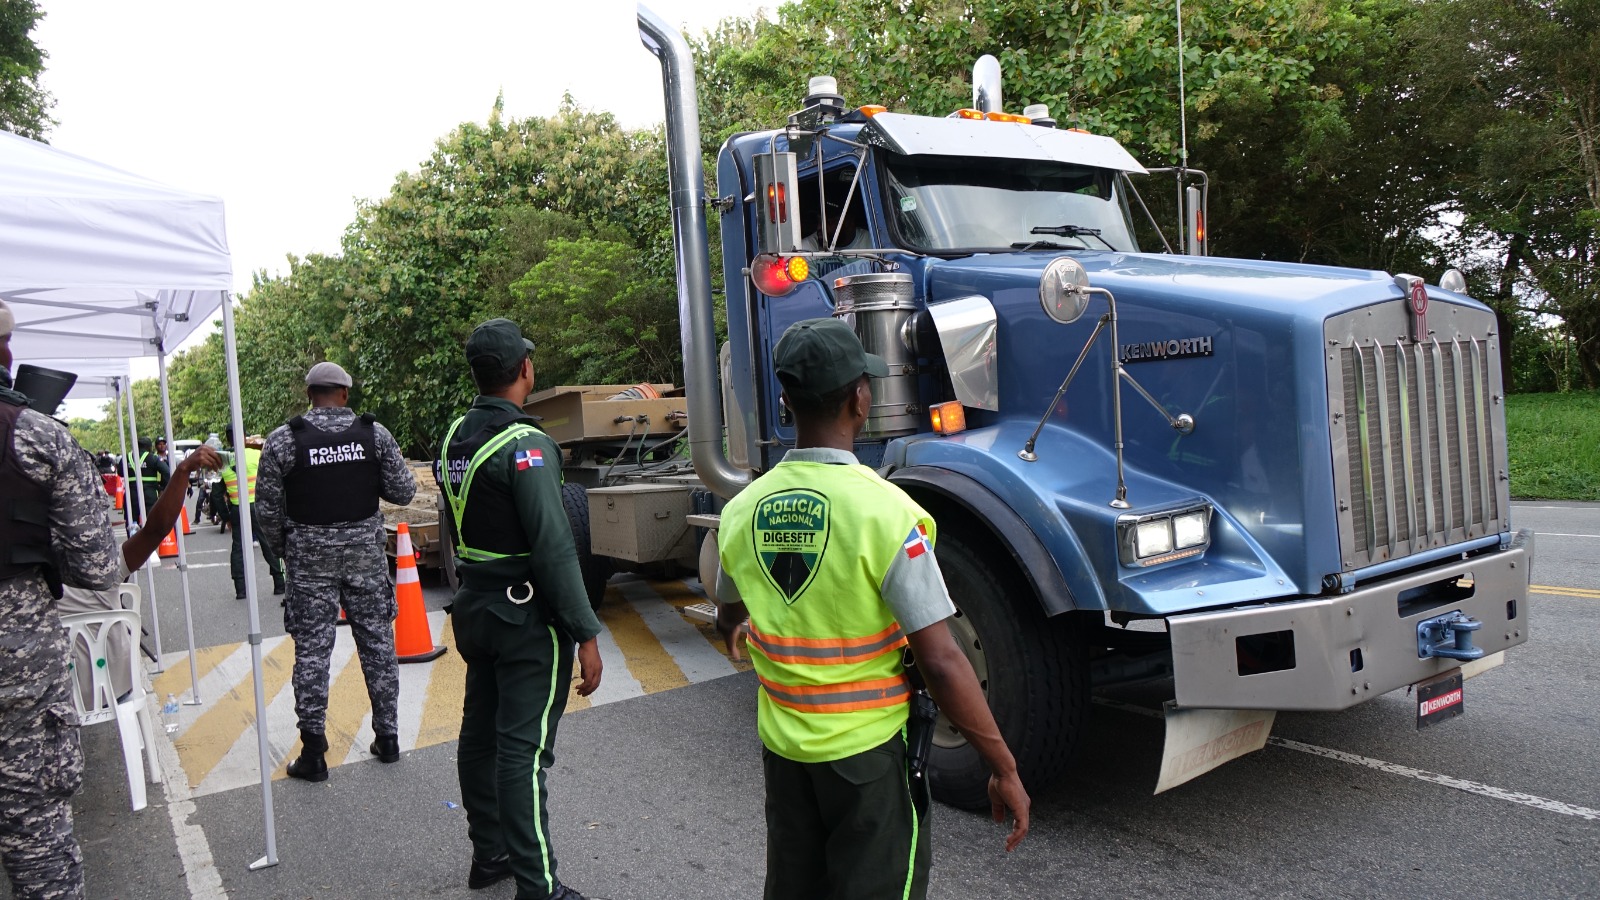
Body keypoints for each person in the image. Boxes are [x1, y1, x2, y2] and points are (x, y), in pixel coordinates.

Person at [713, 318, 1030, 900]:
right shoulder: (887, 514)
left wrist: (731, 626)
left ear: (787, 402)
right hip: (867, 762)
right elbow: (942, 661)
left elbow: (729, 606)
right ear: (861, 399)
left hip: (785, 756)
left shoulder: (742, 510)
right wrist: (1003, 766)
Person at [434, 319, 602, 900]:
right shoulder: (526, 446)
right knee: (524, 754)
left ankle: (491, 854)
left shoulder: (455, 436)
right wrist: (585, 631)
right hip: (522, 616)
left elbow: (453, 528)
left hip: (476, 608)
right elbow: (554, 548)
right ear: (524, 370)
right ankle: (539, 886)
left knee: (480, 737)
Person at [0, 297, 119, 900]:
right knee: (36, 837)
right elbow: (99, 567)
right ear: (5, 349)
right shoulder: (38, 437)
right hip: (15, 660)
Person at [257, 361, 416, 781]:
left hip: (309, 563)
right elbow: (403, 491)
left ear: (309, 394)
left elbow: (268, 513)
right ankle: (389, 738)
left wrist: (285, 553)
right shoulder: (373, 434)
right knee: (379, 645)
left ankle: (313, 753)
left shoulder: (283, 441)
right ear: (345, 394)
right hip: (364, 557)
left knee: (312, 653)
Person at [59, 446, 223, 704]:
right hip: (116, 687)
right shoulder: (101, 564)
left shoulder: (24, 579)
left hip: (55, 697)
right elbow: (155, 531)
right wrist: (182, 470)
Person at [218, 432, 285, 600]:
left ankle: (240, 589)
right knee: (268, 543)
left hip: (237, 508)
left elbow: (216, 493)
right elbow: (274, 479)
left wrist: (226, 517)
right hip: (257, 506)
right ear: (245, 437)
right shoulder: (257, 454)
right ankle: (279, 583)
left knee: (238, 547)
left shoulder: (224, 460)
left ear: (228, 439)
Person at [125, 437, 168, 527]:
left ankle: (133, 539)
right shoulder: (153, 458)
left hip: (131, 495)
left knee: (132, 522)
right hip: (149, 495)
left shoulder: (127, 457)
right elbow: (167, 472)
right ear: (149, 447)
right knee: (151, 521)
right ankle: (149, 540)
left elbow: (121, 472)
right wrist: (162, 488)